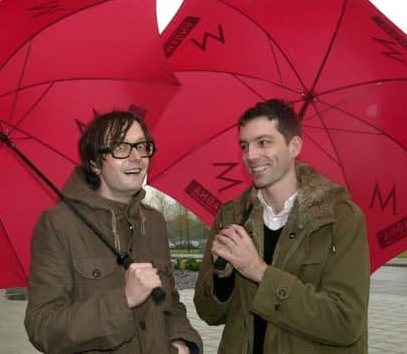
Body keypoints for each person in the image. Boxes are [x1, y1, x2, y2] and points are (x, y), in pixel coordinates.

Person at [194, 99, 370, 354]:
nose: (251, 155)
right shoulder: (231, 215)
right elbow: (208, 313)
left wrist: (258, 271)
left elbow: (345, 322)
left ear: (294, 146)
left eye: (263, 142)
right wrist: (223, 279)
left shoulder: (340, 218)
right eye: (244, 145)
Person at [25, 111, 202, 354]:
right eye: (121, 147)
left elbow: (170, 304)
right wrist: (124, 300)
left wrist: (184, 345)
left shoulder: (153, 222)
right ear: (95, 163)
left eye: (142, 146)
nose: (136, 157)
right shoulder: (58, 224)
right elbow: (43, 328)